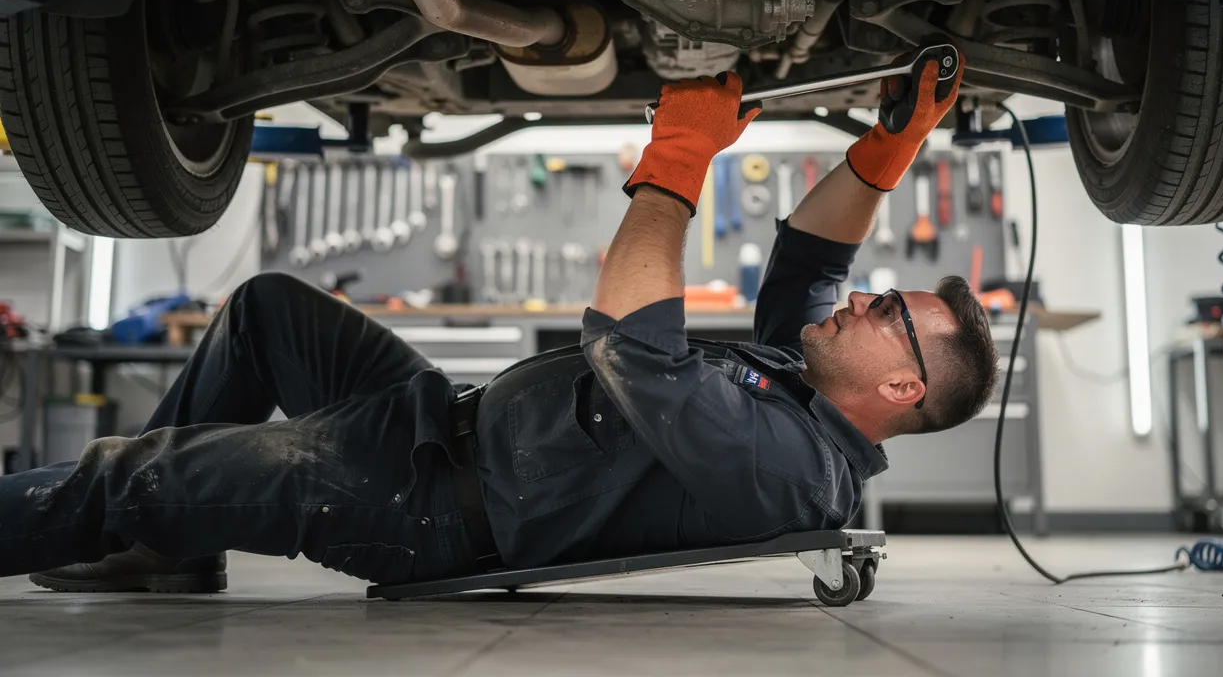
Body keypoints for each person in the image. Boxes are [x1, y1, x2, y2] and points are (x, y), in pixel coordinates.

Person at [0, 51, 998, 594]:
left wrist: (680, 158)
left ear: (903, 388)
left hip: (421, 508)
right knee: (268, 310)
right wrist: (887, 148)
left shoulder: (792, 465)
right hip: (434, 418)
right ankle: (169, 549)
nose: (861, 296)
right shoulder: (806, 386)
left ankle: (143, 515)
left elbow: (629, 344)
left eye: (886, 312)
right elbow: (811, 261)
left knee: (136, 468)